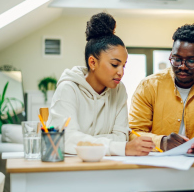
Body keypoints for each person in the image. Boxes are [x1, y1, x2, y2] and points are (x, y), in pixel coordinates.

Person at [47, 12, 154, 156]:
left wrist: (83, 139)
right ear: (92, 62)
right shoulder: (68, 89)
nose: (121, 72)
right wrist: (117, 146)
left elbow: (121, 137)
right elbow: (65, 139)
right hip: (71, 168)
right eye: (115, 64)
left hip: (107, 166)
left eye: (124, 65)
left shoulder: (119, 90)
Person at [129, 24, 194, 153]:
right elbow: (134, 132)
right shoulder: (149, 85)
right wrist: (162, 142)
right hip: (159, 162)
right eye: (177, 59)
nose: (182, 67)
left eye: (191, 61)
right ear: (170, 56)